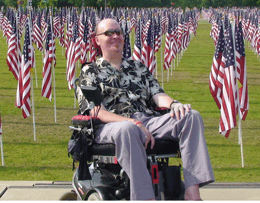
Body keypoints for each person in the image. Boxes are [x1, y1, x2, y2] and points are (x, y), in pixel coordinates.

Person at [76, 18, 214, 200]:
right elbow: (96, 111)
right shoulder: (89, 71)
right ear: (97, 40)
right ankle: (145, 198)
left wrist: (174, 104)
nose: (115, 36)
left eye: (118, 32)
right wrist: (132, 122)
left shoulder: (137, 67)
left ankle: (192, 193)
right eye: (109, 33)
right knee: (128, 129)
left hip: (147, 119)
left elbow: (158, 95)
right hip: (111, 125)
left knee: (191, 116)